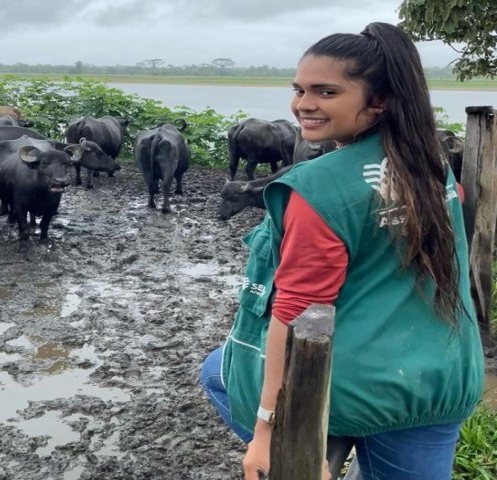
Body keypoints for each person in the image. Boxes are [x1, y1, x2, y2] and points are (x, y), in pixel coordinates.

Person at [200, 21, 485, 480]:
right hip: (441, 377)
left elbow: (293, 313)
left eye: (326, 92)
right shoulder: (431, 165)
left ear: (379, 101)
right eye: (299, 90)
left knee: (216, 370)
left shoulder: (318, 187)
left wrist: (269, 431)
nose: (303, 105)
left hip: (354, 388)